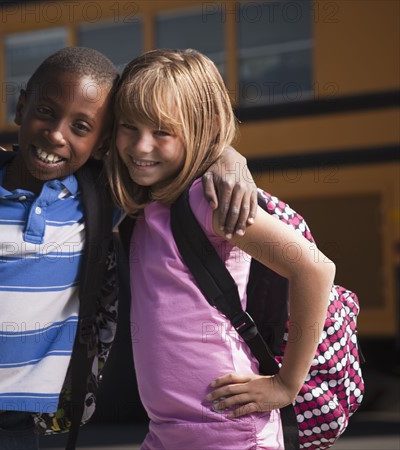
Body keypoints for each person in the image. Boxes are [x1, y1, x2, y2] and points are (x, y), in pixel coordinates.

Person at [0, 46, 255, 450]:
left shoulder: (101, 198)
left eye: (81, 126)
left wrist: (228, 158)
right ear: (21, 108)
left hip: (10, 428)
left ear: (104, 141)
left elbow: (178, 160)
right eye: (45, 112)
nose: (56, 134)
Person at [106, 48, 335, 450]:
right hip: (167, 432)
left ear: (205, 127)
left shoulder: (208, 200)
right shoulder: (144, 204)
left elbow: (315, 270)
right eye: (129, 127)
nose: (141, 147)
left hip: (229, 430)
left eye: (162, 131)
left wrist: (286, 384)